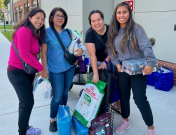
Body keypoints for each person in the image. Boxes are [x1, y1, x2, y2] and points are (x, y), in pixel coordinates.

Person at [107, 2, 157, 135]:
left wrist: (150, 62)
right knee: (124, 97)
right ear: (115, 15)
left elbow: (146, 46)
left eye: (125, 12)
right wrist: (116, 63)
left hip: (138, 70)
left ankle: (150, 128)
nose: (122, 15)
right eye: (119, 12)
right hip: (122, 70)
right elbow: (111, 51)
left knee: (140, 99)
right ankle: (125, 121)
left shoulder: (136, 29)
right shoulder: (113, 31)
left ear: (129, 13)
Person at [41, 7, 83, 132]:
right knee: (57, 96)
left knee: (65, 93)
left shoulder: (69, 32)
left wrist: (79, 50)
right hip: (55, 69)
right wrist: (44, 69)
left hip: (69, 67)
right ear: (52, 17)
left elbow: (75, 47)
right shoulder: (46, 33)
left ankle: (63, 113)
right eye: (57, 15)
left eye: (63, 16)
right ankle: (52, 119)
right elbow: (43, 53)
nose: (60, 18)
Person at [7, 8, 47, 135]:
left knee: (25, 103)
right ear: (30, 18)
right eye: (37, 18)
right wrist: (42, 69)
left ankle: (25, 127)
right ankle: (22, 132)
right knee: (27, 102)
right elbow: (24, 54)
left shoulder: (35, 32)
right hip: (17, 72)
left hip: (27, 72)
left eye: (42, 19)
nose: (40, 21)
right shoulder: (24, 31)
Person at [85, 10, 121, 113]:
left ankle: (117, 104)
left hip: (112, 59)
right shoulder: (90, 34)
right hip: (96, 60)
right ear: (91, 23)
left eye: (98, 20)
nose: (96, 23)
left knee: (116, 83)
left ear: (103, 19)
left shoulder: (111, 30)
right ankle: (99, 108)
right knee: (99, 85)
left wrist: (106, 62)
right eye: (93, 21)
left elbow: (114, 49)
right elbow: (92, 55)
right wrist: (96, 74)